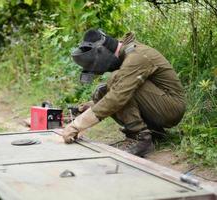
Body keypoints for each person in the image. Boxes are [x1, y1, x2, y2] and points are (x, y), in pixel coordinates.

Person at [62, 29, 186, 157]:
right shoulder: (125, 54)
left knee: (117, 82)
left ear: (101, 51)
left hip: (172, 108)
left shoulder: (137, 55)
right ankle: (154, 132)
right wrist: (93, 105)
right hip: (160, 104)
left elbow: (119, 95)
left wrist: (77, 125)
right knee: (102, 91)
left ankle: (140, 138)